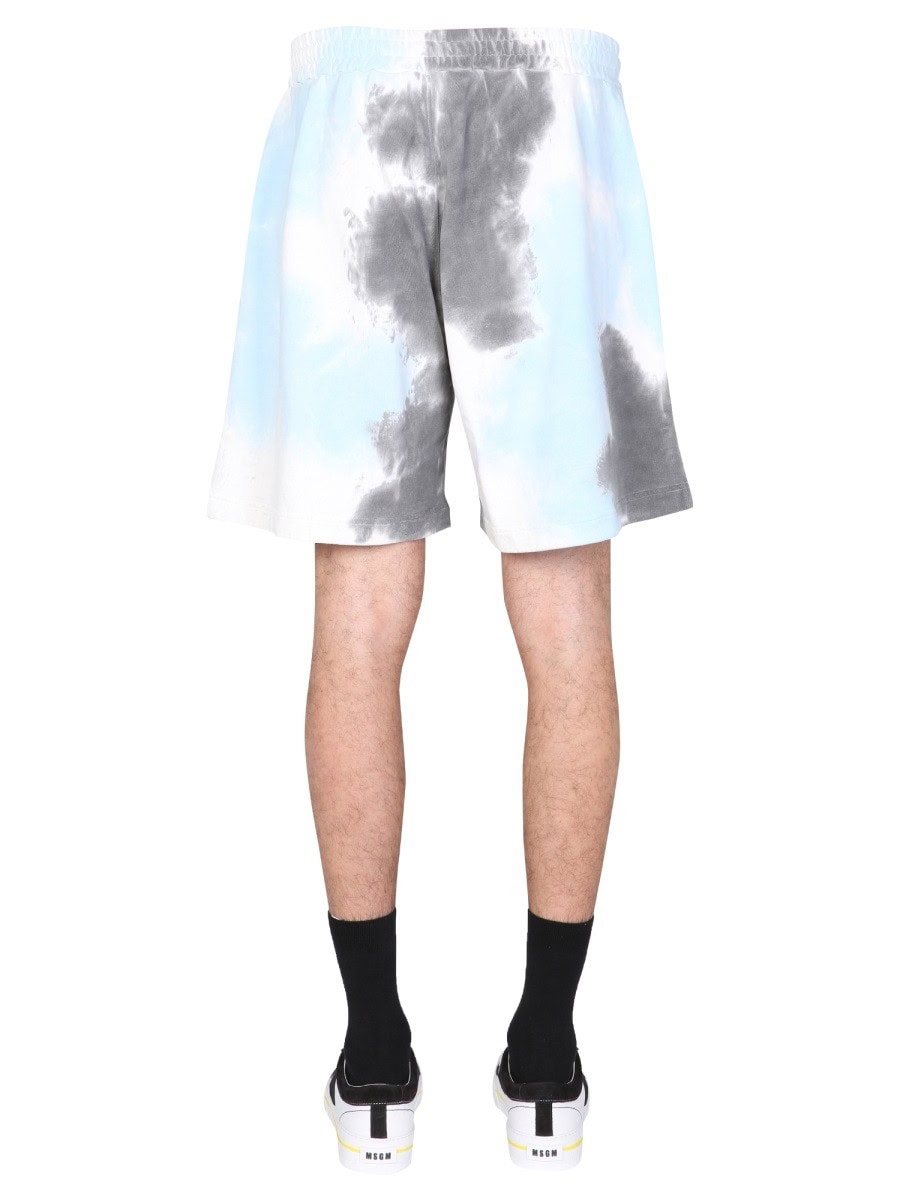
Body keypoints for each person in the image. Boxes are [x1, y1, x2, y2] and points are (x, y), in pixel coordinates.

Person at [208, 26, 692, 1173]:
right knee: (566, 608)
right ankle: (546, 1060)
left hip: (354, 92)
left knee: (360, 602)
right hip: (551, 91)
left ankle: (375, 1060)